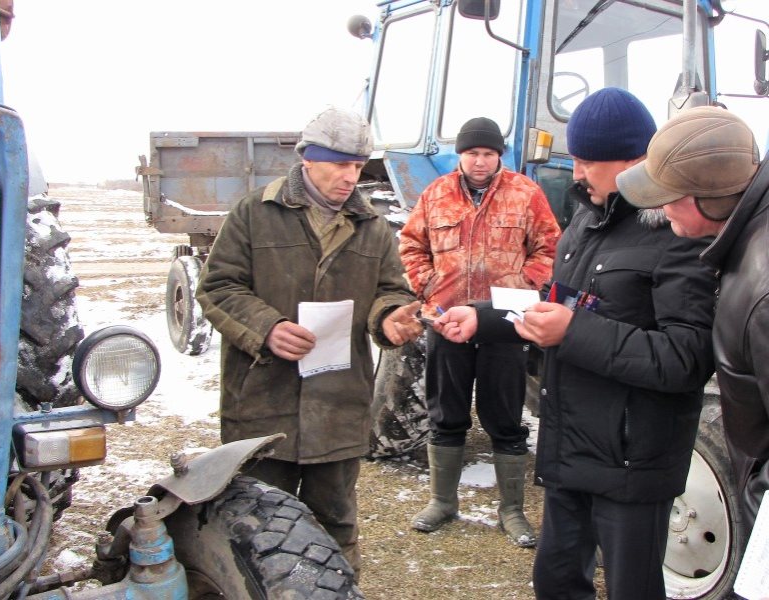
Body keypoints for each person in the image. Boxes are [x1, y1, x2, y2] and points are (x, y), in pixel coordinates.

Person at [431, 89, 717, 599]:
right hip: (570, 449)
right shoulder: (585, 221)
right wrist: (481, 319)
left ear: (634, 161)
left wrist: (574, 331)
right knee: (557, 583)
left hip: (633, 460)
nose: (577, 172)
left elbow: (685, 359)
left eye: (588, 162)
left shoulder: (676, 231)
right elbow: (552, 303)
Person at [196, 106, 423, 579]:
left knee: (335, 525)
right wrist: (266, 327)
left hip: (338, 405)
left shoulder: (373, 227)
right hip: (263, 403)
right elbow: (218, 287)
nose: (350, 177)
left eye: (358, 166)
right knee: (255, 526)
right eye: (339, 164)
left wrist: (391, 319)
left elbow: (389, 292)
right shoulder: (255, 214)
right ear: (308, 161)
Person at [399, 117, 561, 546]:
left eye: (488, 153)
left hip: (503, 325)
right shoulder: (436, 194)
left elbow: (549, 247)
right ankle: (443, 501)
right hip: (447, 321)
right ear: (460, 155)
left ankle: (511, 510)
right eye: (472, 152)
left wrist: (522, 287)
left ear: (498, 156)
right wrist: (429, 284)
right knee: (446, 414)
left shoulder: (525, 193)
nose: (480, 160)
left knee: (506, 419)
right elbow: (411, 244)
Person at [616, 105, 768, 531]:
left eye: (666, 197)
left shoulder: (763, 288)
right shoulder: (744, 246)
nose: (660, 212)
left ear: (705, 198)